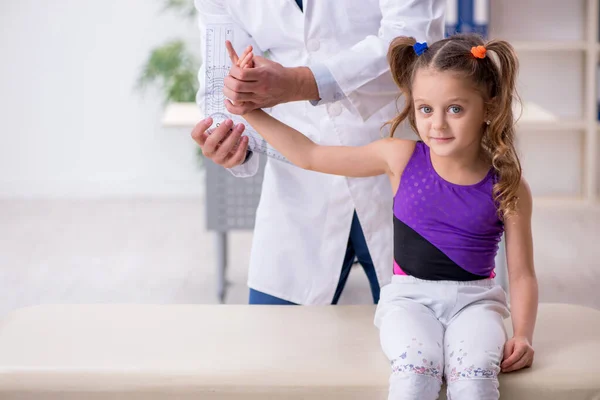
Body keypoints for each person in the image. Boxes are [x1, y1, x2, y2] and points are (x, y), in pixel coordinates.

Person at [222, 33, 538, 399]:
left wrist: (523, 334)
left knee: (476, 380)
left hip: (477, 303)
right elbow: (311, 154)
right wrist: (249, 112)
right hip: (408, 302)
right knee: (416, 375)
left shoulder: (508, 185)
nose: (437, 124)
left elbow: (523, 273)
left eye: (455, 109)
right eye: (425, 109)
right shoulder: (399, 158)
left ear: (489, 107)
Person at [191, 1, 446, 305]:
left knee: (422, 335)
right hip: (299, 180)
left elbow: (413, 43)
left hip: (400, 168)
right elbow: (223, 83)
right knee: (276, 341)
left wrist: (303, 82)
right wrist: (230, 139)